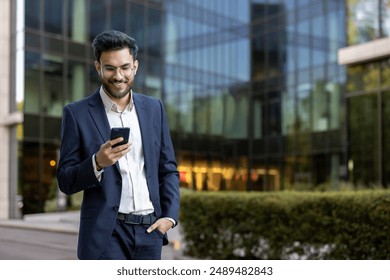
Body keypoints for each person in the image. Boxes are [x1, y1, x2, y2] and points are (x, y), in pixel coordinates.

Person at [56, 30, 180, 260]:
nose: (118, 75)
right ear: (98, 67)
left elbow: (168, 168)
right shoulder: (76, 113)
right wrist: (97, 163)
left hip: (150, 231)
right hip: (106, 235)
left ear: (135, 66)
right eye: (110, 68)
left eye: (124, 67)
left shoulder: (155, 109)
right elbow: (65, 179)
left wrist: (169, 218)